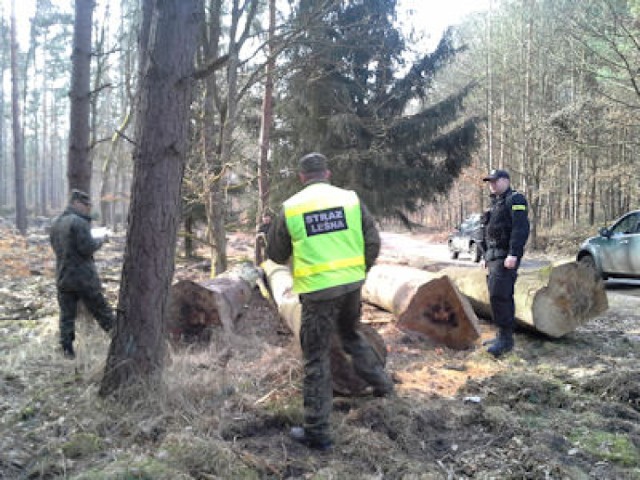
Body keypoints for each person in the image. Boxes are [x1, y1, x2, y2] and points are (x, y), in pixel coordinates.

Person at [267, 152, 394, 451]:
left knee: (316, 356)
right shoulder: (350, 199)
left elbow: (275, 255)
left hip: (317, 293)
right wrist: (358, 271)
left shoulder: (291, 208)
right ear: (327, 173)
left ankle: (317, 431)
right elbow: (373, 241)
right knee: (351, 336)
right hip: (351, 286)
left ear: (302, 177)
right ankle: (383, 386)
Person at [49, 189, 114, 359]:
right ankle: (120, 343)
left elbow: (58, 248)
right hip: (84, 278)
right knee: (103, 311)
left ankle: (67, 350)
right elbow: (87, 248)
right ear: (76, 203)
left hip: (63, 276)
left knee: (66, 316)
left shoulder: (56, 223)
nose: (87, 208)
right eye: (86, 205)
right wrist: (102, 240)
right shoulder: (79, 222)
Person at [481, 169, 530, 357]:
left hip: (506, 257)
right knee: (495, 296)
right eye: (490, 182)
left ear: (506, 181)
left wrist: (514, 254)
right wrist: (486, 257)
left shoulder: (515, 199)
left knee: (501, 296)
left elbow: (520, 228)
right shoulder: (495, 204)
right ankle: (501, 334)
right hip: (494, 257)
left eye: (495, 181)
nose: (492, 185)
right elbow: (489, 233)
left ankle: (506, 341)